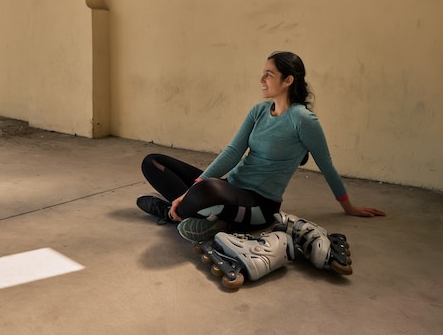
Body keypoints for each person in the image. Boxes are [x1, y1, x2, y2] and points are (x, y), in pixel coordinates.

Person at [136, 51, 385, 275]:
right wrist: (193, 189)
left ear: (288, 80)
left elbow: (327, 165)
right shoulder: (258, 110)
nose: (262, 79)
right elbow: (233, 153)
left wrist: (349, 207)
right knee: (153, 162)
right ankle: (193, 211)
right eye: (263, 73)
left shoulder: (304, 120)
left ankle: (173, 212)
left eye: (269, 74)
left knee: (207, 189)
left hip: (259, 206)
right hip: (230, 188)